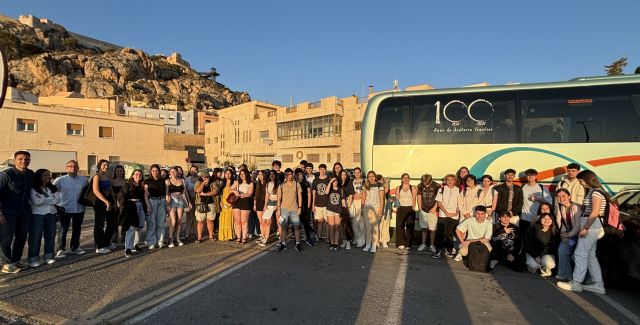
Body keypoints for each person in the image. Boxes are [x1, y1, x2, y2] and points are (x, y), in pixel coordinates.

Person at [557, 170, 607, 294]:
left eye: (581, 181)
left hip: (591, 225)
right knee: (590, 256)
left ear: (587, 179)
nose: (580, 183)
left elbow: (595, 212)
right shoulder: (594, 191)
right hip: (593, 225)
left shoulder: (596, 192)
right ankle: (598, 284)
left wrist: (585, 228)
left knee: (580, 254)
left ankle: (576, 283)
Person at [0, 151, 34, 273]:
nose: (24, 161)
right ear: (14, 160)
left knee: (21, 236)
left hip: (24, 211)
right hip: (8, 212)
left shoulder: (30, 174)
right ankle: (6, 264)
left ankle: (16, 260)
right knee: (6, 238)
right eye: (20, 159)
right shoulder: (6, 174)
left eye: (26, 159)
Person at [53, 160, 87, 258]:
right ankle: (60, 249)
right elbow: (53, 192)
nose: (72, 168)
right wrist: (56, 204)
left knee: (77, 229)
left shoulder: (83, 179)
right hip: (64, 208)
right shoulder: (60, 180)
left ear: (78, 168)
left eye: (75, 166)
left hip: (79, 208)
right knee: (62, 230)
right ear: (66, 168)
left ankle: (75, 247)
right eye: (70, 166)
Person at [28, 169, 61, 267]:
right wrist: (51, 199)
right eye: (45, 175)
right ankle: (33, 258)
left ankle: (49, 256)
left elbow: (58, 199)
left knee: (50, 235)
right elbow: (36, 202)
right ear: (39, 176)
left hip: (51, 214)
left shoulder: (52, 188)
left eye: (49, 175)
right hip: (37, 214)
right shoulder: (33, 188)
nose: (48, 177)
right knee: (35, 236)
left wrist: (43, 199)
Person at [554, 188, 582, 281]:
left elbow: (578, 225)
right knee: (562, 250)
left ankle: (582, 278)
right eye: (558, 196)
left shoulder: (576, 207)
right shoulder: (560, 207)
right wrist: (563, 234)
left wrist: (569, 235)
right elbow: (560, 223)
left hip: (580, 235)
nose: (561, 198)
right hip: (569, 234)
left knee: (576, 256)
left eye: (564, 196)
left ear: (569, 196)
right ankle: (565, 274)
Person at [454, 206, 493, 270]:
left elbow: (487, 239)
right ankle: (465, 256)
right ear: (475, 213)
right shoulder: (470, 220)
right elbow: (457, 230)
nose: (480, 215)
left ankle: (481, 260)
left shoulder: (489, 223)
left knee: (490, 249)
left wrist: (469, 241)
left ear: (485, 214)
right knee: (463, 251)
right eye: (478, 213)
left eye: (482, 214)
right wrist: (462, 242)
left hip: (482, 242)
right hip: (469, 242)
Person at [432, 174, 460, 259]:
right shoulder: (442, 189)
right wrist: (446, 212)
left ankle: (449, 250)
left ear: (455, 181)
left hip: (454, 215)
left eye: (452, 180)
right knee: (440, 233)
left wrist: (456, 212)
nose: (450, 181)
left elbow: (460, 202)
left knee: (450, 234)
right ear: (446, 181)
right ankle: (438, 250)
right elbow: (439, 203)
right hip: (443, 215)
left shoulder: (458, 190)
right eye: (448, 180)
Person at [92, 160, 116, 254]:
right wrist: (105, 201)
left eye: (107, 165)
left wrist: (113, 201)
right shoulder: (97, 176)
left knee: (111, 223)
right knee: (99, 224)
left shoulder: (108, 176)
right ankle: (99, 246)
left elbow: (111, 190)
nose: (106, 167)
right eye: (104, 165)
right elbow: (96, 191)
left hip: (109, 201)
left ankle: (106, 242)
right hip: (100, 202)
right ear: (99, 166)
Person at [121, 170, 146, 258]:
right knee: (131, 228)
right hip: (131, 206)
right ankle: (127, 248)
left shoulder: (142, 185)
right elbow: (122, 197)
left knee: (139, 226)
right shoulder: (127, 185)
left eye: (140, 174)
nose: (138, 176)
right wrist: (124, 207)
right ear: (132, 176)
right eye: (136, 174)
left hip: (140, 206)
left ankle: (135, 244)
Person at [277, 168, 303, 252]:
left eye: (290, 174)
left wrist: (299, 208)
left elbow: (299, 196)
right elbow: (279, 198)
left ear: (293, 175)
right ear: (285, 175)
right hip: (284, 209)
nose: (288, 176)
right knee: (283, 227)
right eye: (286, 174)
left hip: (294, 209)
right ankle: (283, 243)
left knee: (296, 226)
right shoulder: (281, 185)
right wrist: (278, 210)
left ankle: (297, 243)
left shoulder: (297, 184)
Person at [524, 213, 558, 277]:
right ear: (540, 219)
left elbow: (553, 247)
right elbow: (528, 244)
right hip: (533, 253)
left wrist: (543, 256)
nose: (546, 220)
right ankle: (534, 268)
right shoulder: (533, 228)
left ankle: (544, 268)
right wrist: (535, 256)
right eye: (544, 218)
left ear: (552, 220)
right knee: (533, 266)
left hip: (546, 254)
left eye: (549, 219)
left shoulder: (554, 231)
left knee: (549, 264)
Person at [520, 169, 551, 236]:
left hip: (539, 218)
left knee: (538, 238)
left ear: (536, 176)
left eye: (533, 175)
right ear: (526, 176)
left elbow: (549, 202)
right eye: (528, 175)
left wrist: (538, 199)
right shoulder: (522, 187)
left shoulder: (541, 187)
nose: (531, 177)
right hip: (525, 218)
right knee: (525, 238)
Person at [165, 167, 190, 247]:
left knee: (179, 220)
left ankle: (178, 238)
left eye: (174, 171)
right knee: (173, 220)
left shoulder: (182, 180)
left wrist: (188, 202)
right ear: (169, 173)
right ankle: (170, 239)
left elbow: (185, 192)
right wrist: (168, 204)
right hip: (171, 201)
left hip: (180, 201)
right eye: (171, 171)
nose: (173, 173)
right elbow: (167, 194)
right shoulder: (168, 181)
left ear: (177, 172)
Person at [361, 171, 385, 253]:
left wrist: (381, 210)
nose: (371, 178)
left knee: (375, 227)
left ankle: (374, 245)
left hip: (376, 207)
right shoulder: (365, 185)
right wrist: (362, 208)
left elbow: (382, 199)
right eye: (369, 176)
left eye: (372, 176)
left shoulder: (380, 185)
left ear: (375, 177)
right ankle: (368, 244)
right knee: (368, 227)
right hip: (367, 207)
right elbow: (363, 198)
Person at [144, 164, 166, 249]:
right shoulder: (147, 181)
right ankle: (151, 242)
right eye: (153, 171)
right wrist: (148, 205)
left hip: (162, 201)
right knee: (151, 223)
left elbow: (166, 192)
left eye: (156, 171)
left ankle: (160, 241)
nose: (155, 172)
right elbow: (145, 194)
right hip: (152, 201)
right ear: (150, 172)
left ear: (159, 172)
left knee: (161, 223)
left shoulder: (163, 180)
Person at [417, 174, 440, 253]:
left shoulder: (437, 186)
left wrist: (435, 208)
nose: (426, 185)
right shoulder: (420, 185)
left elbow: (438, 198)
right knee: (423, 228)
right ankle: (423, 244)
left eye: (427, 183)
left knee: (432, 229)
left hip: (432, 210)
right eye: (424, 183)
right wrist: (420, 208)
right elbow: (419, 197)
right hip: (423, 209)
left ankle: (432, 245)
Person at [194, 173, 219, 243]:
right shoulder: (198, 182)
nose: (206, 178)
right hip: (200, 204)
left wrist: (205, 194)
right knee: (200, 221)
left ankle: (211, 236)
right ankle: (199, 237)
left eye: (207, 177)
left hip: (211, 204)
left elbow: (215, 191)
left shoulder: (213, 183)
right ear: (201, 177)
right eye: (204, 177)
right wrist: (203, 183)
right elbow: (198, 191)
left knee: (210, 220)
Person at [395, 173, 417, 250]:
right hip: (401, 208)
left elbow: (414, 199)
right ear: (402, 179)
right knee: (400, 226)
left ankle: (408, 244)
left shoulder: (413, 188)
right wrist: (397, 209)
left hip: (410, 208)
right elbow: (397, 200)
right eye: (404, 178)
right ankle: (401, 243)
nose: (406, 179)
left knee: (409, 227)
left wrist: (413, 209)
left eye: (407, 178)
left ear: (409, 179)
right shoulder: (398, 188)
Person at [231, 169, 254, 244]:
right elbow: (230, 189)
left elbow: (249, 194)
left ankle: (244, 238)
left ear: (247, 174)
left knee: (244, 221)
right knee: (237, 221)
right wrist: (235, 191)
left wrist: (240, 194)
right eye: (240, 174)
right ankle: (238, 237)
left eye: (243, 174)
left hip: (245, 202)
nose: (242, 175)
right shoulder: (237, 182)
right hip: (237, 202)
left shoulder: (250, 183)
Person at [326, 173, 346, 251]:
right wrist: (330, 182)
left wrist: (344, 209)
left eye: (336, 181)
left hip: (338, 210)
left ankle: (336, 243)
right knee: (331, 227)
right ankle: (332, 243)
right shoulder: (330, 189)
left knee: (337, 227)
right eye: (333, 181)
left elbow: (343, 200)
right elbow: (326, 193)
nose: (335, 182)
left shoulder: (341, 190)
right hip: (330, 210)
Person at [347, 167, 365, 248]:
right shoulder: (351, 181)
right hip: (354, 203)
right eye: (355, 172)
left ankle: (361, 241)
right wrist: (354, 196)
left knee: (361, 223)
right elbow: (349, 192)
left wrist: (360, 195)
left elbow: (366, 192)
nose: (357, 174)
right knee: (354, 223)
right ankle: (356, 238)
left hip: (361, 202)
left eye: (358, 172)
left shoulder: (364, 181)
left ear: (360, 173)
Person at [311, 164, 331, 242]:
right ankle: (319, 236)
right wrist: (313, 205)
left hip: (326, 204)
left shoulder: (328, 180)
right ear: (319, 170)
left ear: (326, 170)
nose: (322, 171)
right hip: (318, 204)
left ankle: (328, 237)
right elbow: (313, 193)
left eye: (324, 169)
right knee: (319, 221)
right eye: (321, 169)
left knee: (327, 222)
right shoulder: (315, 180)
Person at [296, 168, 315, 247]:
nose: (300, 176)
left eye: (301, 174)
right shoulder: (294, 183)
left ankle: (308, 238)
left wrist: (308, 206)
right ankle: (297, 239)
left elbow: (309, 194)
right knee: (296, 223)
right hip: (295, 205)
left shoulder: (306, 183)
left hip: (304, 205)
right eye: (298, 174)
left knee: (305, 222)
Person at [260, 170, 278, 246]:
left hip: (277, 203)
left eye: (273, 174)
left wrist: (277, 205)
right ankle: (264, 237)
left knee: (278, 222)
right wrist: (265, 205)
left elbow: (280, 196)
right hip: (269, 203)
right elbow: (267, 195)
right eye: (270, 174)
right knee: (265, 221)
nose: (271, 176)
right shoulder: (268, 184)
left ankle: (279, 238)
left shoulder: (279, 184)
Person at [337, 170, 353, 250]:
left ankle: (348, 241)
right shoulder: (338, 184)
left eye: (345, 175)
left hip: (346, 205)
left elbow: (351, 196)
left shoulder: (349, 184)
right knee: (340, 225)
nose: (344, 176)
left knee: (346, 224)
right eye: (342, 175)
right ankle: (344, 240)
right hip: (337, 206)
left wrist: (348, 207)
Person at [111, 165, 127, 246]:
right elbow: (111, 193)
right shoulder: (112, 181)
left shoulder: (126, 181)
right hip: (115, 203)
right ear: (115, 172)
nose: (119, 172)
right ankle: (114, 239)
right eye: (117, 171)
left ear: (123, 172)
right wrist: (115, 202)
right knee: (115, 222)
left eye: (121, 171)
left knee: (124, 221)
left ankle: (124, 238)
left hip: (124, 203)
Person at [218, 168, 235, 241]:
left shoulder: (234, 183)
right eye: (226, 173)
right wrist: (221, 203)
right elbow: (220, 195)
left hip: (231, 204)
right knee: (223, 219)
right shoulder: (222, 183)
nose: (227, 175)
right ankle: (223, 235)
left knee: (229, 219)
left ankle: (229, 236)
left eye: (229, 173)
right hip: (223, 204)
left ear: (232, 174)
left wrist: (230, 204)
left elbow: (235, 195)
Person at [184, 165, 200, 239]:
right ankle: (188, 232)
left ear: (198, 170)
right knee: (189, 217)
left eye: (195, 170)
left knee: (197, 216)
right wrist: (188, 201)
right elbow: (185, 191)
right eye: (192, 170)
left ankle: (196, 232)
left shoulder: (200, 179)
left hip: (198, 200)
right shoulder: (187, 179)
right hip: (189, 200)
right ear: (190, 171)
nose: (193, 171)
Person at [378, 175, 392, 248]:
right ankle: (377, 240)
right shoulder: (376, 188)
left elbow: (386, 192)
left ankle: (384, 240)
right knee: (378, 224)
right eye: (381, 180)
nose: (381, 181)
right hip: (378, 207)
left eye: (382, 180)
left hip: (386, 208)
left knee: (385, 224)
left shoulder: (384, 189)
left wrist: (387, 183)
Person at [253, 170, 267, 242]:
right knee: (260, 221)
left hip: (265, 204)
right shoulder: (258, 184)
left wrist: (266, 205)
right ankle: (262, 235)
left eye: (261, 174)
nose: (260, 176)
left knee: (264, 221)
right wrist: (254, 204)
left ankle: (265, 236)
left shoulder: (267, 184)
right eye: (259, 175)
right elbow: (255, 195)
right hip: (258, 204)